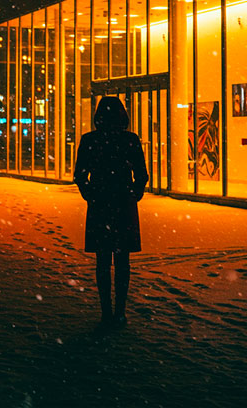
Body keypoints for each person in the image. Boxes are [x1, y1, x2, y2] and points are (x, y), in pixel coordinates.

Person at [74, 96, 148, 329]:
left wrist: (89, 193)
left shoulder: (90, 140)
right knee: (122, 260)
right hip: (123, 203)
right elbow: (142, 174)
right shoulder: (129, 140)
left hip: (100, 203)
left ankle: (106, 311)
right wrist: (134, 192)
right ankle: (120, 311)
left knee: (102, 260)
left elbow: (79, 174)